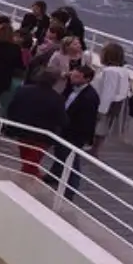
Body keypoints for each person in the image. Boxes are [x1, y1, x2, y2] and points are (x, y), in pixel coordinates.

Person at [47, 65, 99, 195]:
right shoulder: (71, 87)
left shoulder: (90, 97)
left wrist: (84, 138)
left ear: (87, 79)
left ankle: (70, 190)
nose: (72, 78)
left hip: (74, 134)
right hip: (63, 127)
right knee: (59, 153)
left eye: (76, 76)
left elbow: (87, 121)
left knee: (72, 162)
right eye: (73, 75)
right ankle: (54, 175)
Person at [7, 70, 67, 176]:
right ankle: (26, 185)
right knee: (30, 164)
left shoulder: (23, 91)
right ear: (54, 82)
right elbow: (62, 120)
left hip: (22, 132)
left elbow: (12, 109)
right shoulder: (57, 99)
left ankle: (27, 183)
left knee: (28, 162)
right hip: (42, 137)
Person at [91, 42, 130, 155]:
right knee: (103, 128)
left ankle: (94, 150)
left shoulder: (110, 72)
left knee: (100, 127)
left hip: (105, 104)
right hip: (116, 103)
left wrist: (101, 110)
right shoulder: (123, 71)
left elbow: (108, 91)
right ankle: (95, 149)